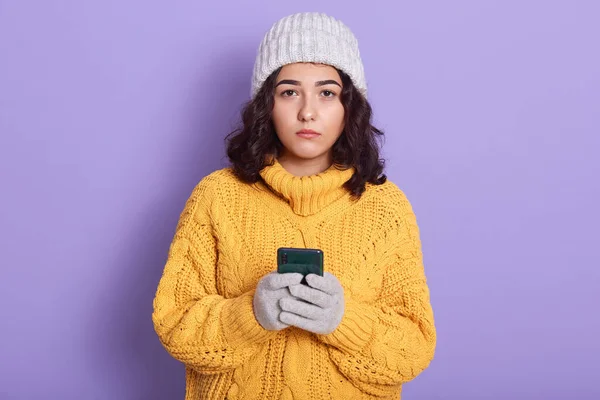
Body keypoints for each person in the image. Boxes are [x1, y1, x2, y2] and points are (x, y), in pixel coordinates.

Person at [152, 12, 436, 400]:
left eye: (326, 93)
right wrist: (249, 314)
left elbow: (415, 348)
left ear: (349, 106)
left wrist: (343, 320)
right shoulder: (217, 196)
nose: (307, 111)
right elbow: (174, 323)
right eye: (289, 92)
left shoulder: (387, 208)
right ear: (266, 104)